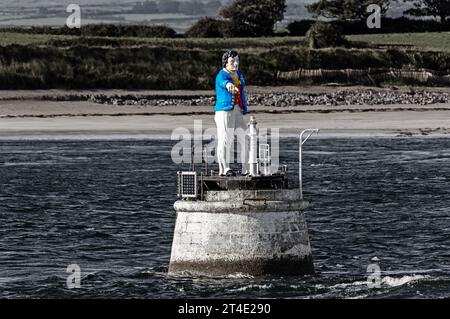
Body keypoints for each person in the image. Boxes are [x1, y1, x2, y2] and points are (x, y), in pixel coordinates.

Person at [214, 50, 248, 177]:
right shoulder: (221, 75)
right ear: (225, 63)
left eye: (237, 61)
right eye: (232, 61)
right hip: (224, 111)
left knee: (245, 137)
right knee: (225, 139)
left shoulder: (239, 74)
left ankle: (247, 167)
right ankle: (225, 168)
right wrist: (229, 85)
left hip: (237, 109)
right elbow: (224, 82)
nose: (235, 64)